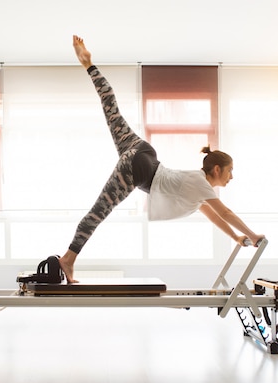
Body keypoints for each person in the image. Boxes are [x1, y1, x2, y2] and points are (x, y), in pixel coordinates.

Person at [59, 35, 264, 283]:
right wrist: (252, 235)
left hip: (141, 151)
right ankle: (68, 259)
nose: (232, 176)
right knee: (98, 212)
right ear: (217, 169)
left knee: (111, 108)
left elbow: (213, 216)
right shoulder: (201, 185)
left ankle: (89, 65)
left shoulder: (198, 188)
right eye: (230, 171)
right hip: (138, 168)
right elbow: (226, 212)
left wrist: (235, 238)